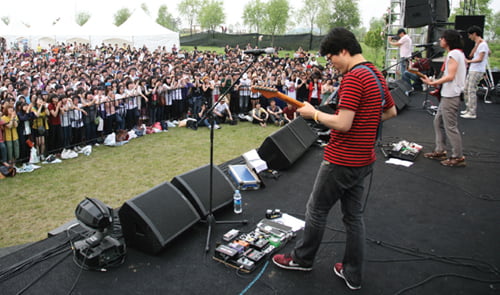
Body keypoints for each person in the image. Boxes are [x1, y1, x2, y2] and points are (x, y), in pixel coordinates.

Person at [272, 27, 397, 290]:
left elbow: (342, 123)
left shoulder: (353, 78)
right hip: (365, 158)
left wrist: (313, 114)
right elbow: (390, 111)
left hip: (342, 158)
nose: (331, 64)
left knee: (316, 210)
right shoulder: (375, 73)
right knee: (354, 217)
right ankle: (353, 273)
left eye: (331, 58)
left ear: (343, 50)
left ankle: (302, 259)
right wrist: (363, 122)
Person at [422, 30, 467, 167]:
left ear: (447, 40)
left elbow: (450, 76)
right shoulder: (457, 53)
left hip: (451, 95)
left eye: (442, 38)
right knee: (438, 122)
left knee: (450, 127)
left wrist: (432, 82)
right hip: (448, 94)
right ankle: (440, 150)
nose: (440, 40)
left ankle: (458, 156)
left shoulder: (453, 54)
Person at [461, 25, 490, 119]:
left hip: (477, 70)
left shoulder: (483, 44)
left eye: (470, 35)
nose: (469, 37)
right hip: (473, 69)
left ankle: (472, 112)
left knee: (471, 90)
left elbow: (480, 59)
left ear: (474, 34)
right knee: (466, 89)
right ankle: (468, 108)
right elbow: (471, 55)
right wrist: (476, 44)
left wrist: (469, 61)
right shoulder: (479, 44)